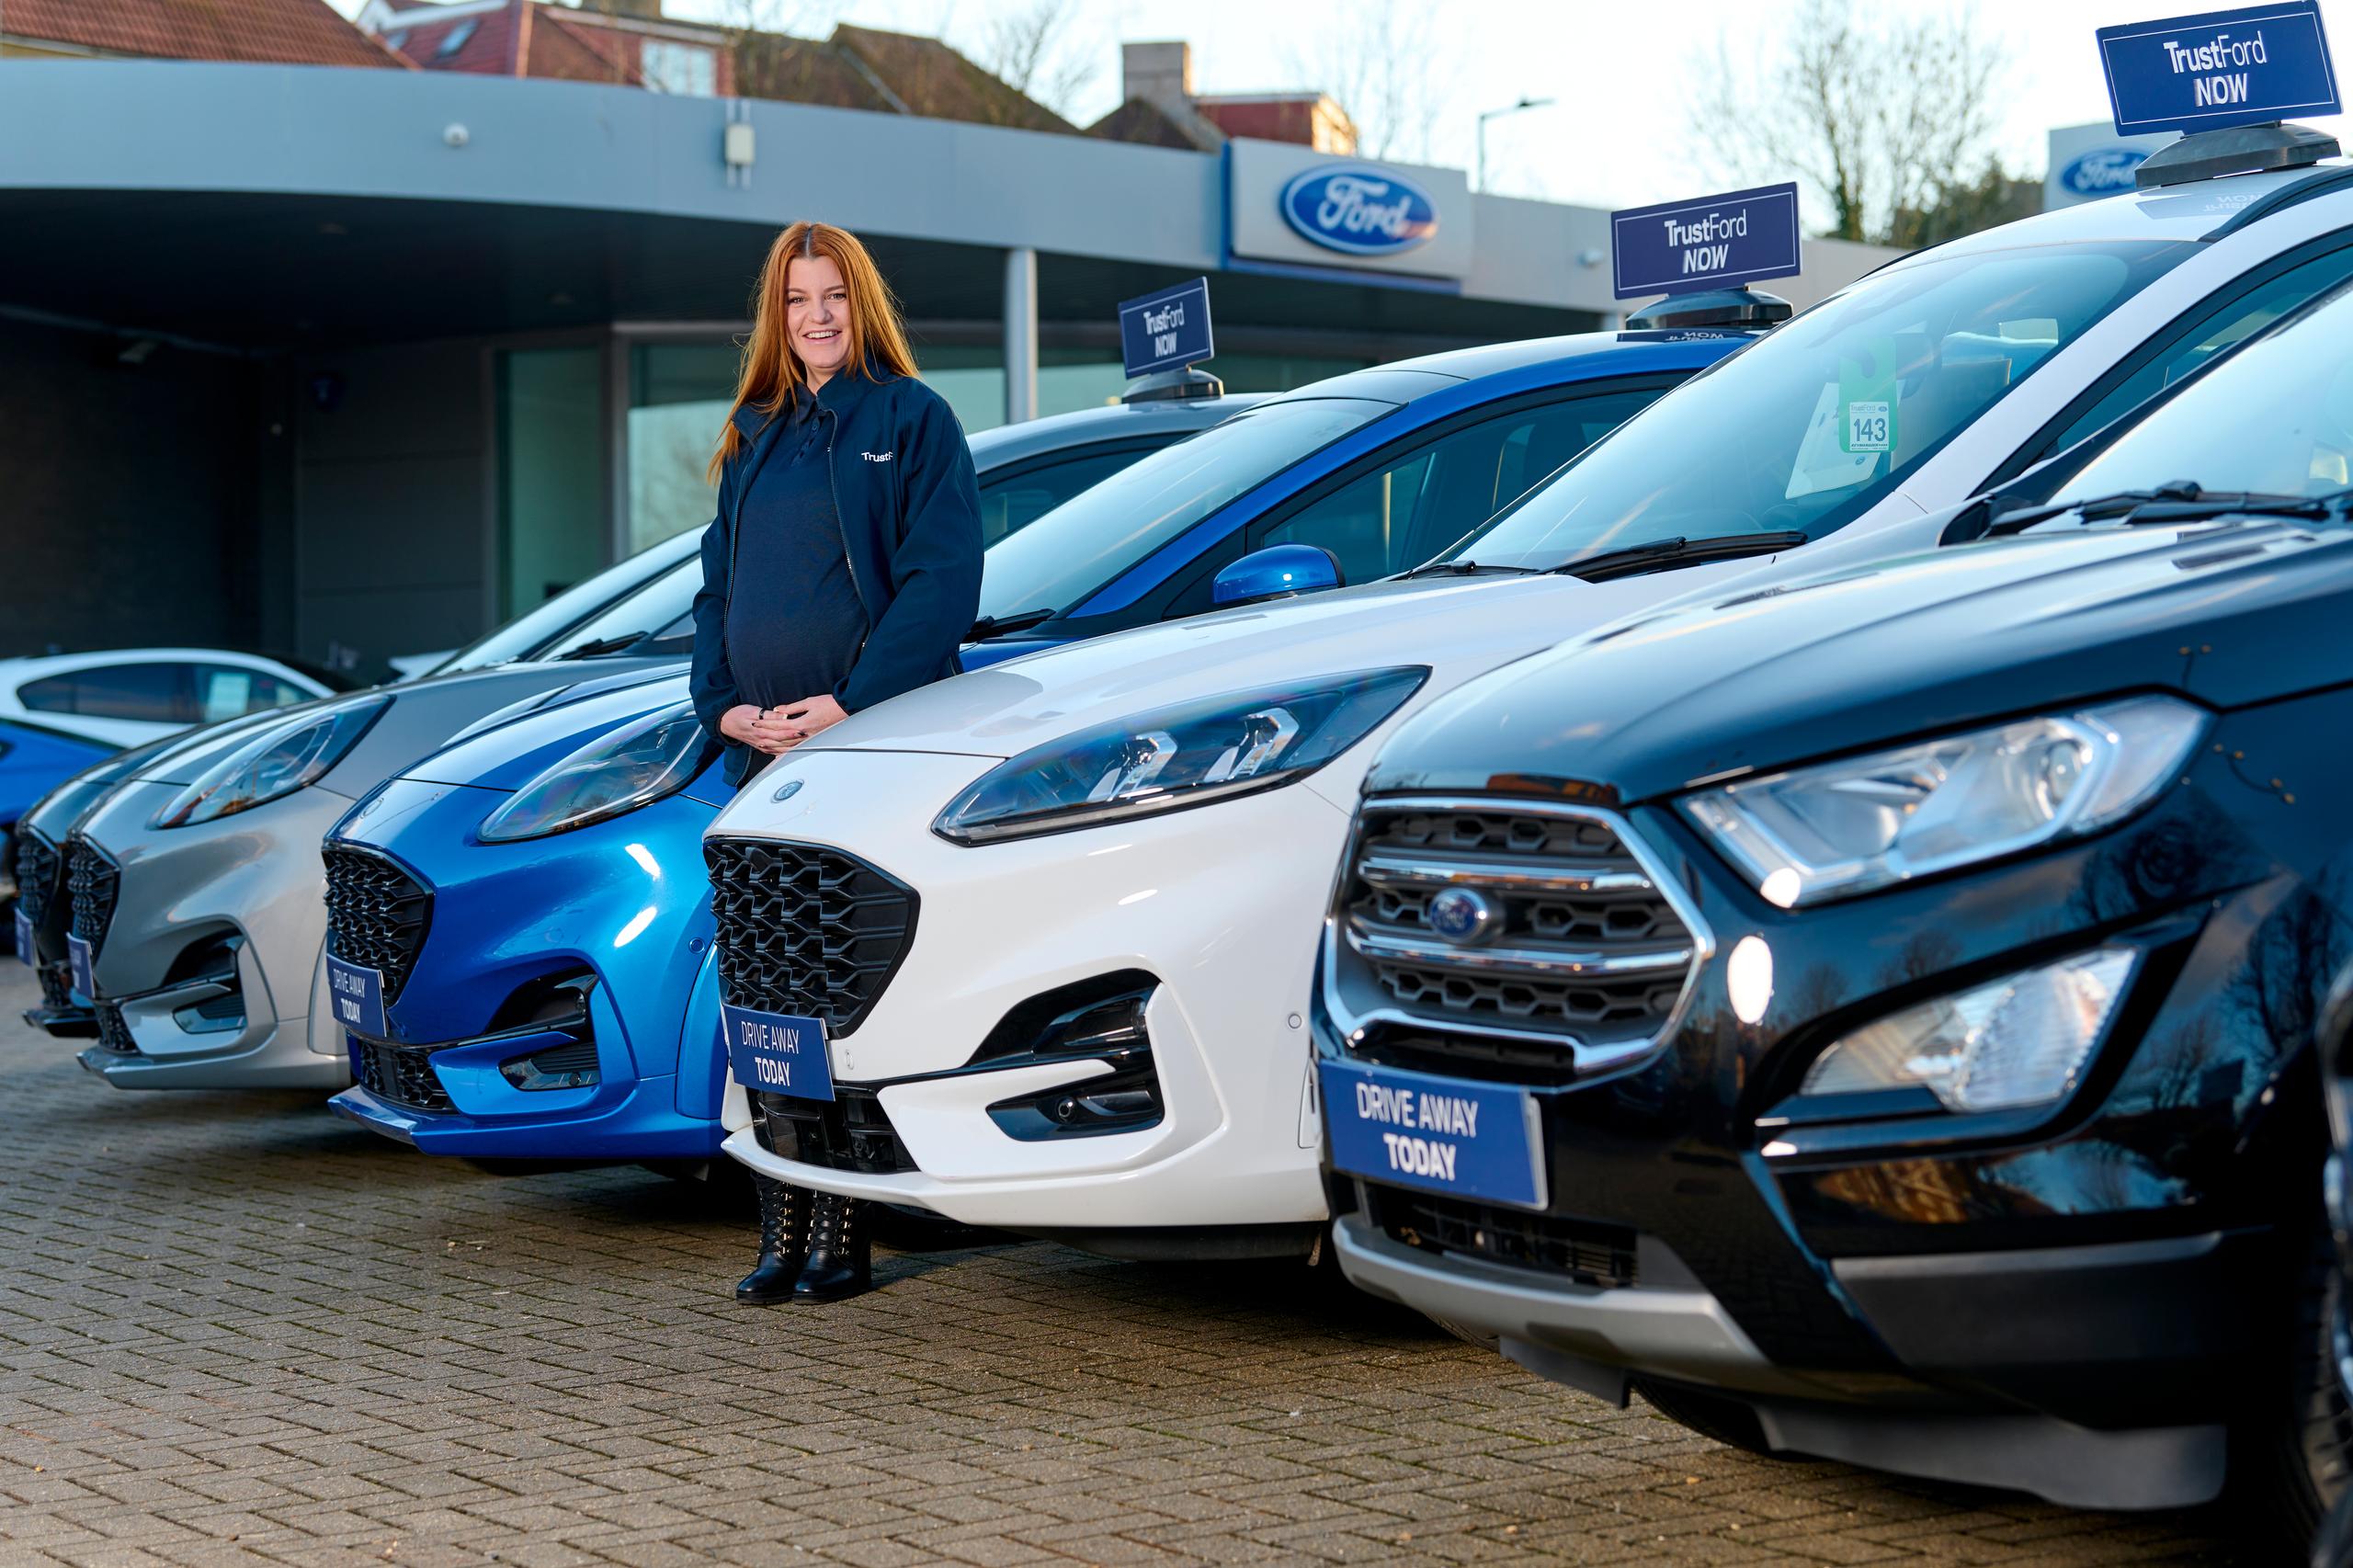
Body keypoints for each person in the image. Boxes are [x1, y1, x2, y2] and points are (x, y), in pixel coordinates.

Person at [688, 221, 983, 1304]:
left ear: (863, 306)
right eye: (797, 299)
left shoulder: (911, 419)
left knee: (838, 993)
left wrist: (848, 704)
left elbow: (942, 583)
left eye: (834, 297)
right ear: (778, 317)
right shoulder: (753, 432)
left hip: (864, 754)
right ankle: (784, 1220)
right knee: (765, 997)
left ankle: (845, 1229)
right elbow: (714, 593)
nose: (815, 316)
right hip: (760, 761)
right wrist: (726, 708)